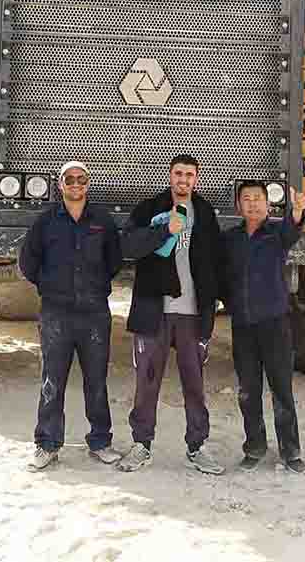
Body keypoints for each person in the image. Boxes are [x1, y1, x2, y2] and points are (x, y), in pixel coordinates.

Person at [118, 154, 224, 475]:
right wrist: (164, 231)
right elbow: (128, 247)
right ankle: (141, 444)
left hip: (192, 313)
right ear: (170, 176)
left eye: (189, 175)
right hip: (155, 310)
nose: (183, 180)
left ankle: (197, 446)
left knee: (195, 384)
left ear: (196, 179)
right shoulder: (149, 208)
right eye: (178, 173)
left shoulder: (204, 212)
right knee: (147, 381)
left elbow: (216, 260)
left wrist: (214, 303)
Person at [18, 161, 123, 471]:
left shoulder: (102, 220)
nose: (76, 184)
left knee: (96, 381)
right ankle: (47, 445)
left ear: (88, 184)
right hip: (56, 314)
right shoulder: (46, 222)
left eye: (81, 179)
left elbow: (114, 261)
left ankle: (100, 442)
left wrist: (94, 286)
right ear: (60, 184)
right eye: (69, 179)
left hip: (94, 314)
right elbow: (28, 262)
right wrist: (51, 287)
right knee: (52, 380)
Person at [220, 182, 305, 474]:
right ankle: (255, 447)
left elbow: (292, 229)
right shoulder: (230, 239)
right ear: (238, 207)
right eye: (246, 199)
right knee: (248, 391)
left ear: (268, 205)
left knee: (281, 389)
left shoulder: (276, 234)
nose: (253, 203)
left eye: (258, 198)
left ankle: (291, 451)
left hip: (274, 324)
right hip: (243, 326)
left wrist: (298, 211)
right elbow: (221, 276)